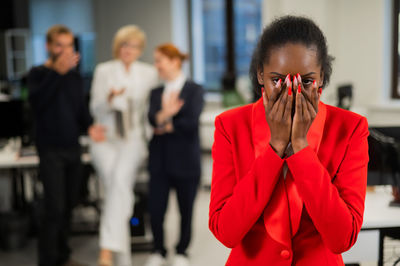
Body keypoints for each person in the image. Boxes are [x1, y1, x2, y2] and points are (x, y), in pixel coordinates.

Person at [209, 16, 369, 265]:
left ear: (322, 76)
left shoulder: (349, 129)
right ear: (260, 74)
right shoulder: (230, 126)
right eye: (278, 80)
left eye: (306, 81)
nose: (292, 93)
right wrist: (274, 148)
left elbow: (342, 238)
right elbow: (226, 232)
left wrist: (301, 149)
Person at [28, 25, 103, 266]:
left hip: (72, 148)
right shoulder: (38, 74)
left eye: (69, 45)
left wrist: (90, 126)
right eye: (59, 45)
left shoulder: (74, 76)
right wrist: (56, 73)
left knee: (70, 205)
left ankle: (63, 255)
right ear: (48, 47)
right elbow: (37, 104)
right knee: (55, 208)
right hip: (50, 150)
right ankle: (48, 261)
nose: (64, 50)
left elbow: (79, 109)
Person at [89, 25, 158, 266]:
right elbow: (94, 109)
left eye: (134, 46)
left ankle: (106, 250)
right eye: (124, 45)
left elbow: (151, 110)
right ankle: (122, 259)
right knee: (118, 189)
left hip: (133, 138)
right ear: (117, 47)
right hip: (105, 138)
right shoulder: (104, 71)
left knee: (118, 183)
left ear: (141, 50)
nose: (129, 50)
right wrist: (108, 100)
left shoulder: (148, 73)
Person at [145, 43, 204, 266]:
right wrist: (166, 114)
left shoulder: (194, 90)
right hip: (159, 160)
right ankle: (158, 250)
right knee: (156, 209)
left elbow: (190, 122)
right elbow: (152, 119)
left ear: (175, 61)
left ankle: (182, 251)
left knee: (185, 209)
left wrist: (166, 123)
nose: (156, 65)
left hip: (186, 161)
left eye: (160, 60)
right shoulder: (155, 92)